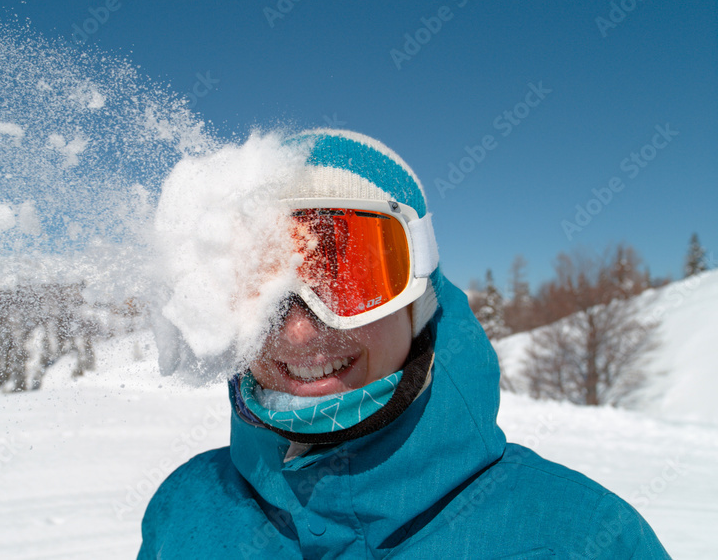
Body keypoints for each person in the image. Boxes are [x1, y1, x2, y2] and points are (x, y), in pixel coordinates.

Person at [139, 129, 670, 558]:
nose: (300, 331)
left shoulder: (581, 536)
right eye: (261, 288)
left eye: (352, 280)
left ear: (418, 304)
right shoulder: (184, 511)